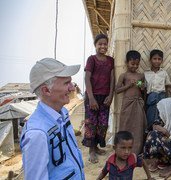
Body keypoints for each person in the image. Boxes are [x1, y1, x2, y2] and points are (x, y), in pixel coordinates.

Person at [20, 58, 85, 179]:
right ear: (46, 90)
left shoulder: (63, 113)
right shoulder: (37, 134)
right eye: (67, 83)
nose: (72, 88)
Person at [82, 33, 115, 163]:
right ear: (95, 45)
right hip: (93, 96)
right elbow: (87, 78)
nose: (103, 46)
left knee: (102, 124)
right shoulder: (92, 59)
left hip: (105, 97)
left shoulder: (111, 60)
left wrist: (111, 95)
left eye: (105, 44)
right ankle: (91, 150)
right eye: (100, 44)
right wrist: (91, 98)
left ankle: (96, 147)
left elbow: (112, 79)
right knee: (91, 124)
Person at [115, 50, 147, 154]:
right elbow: (117, 90)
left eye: (137, 64)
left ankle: (136, 150)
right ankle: (122, 149)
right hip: (127, 104)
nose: (134, 66)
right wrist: (128, 85)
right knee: (125, 125)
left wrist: (141, 87)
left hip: (137, 103)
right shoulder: (124, 76)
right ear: (127, 62)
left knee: (138, 126)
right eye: (132, 64)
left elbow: (144, 90)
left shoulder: (141, 76)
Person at [144, 49, 171, 128]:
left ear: (162, 60)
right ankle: (149, 133)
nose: (157, 61)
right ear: (150, 60)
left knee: (160, 118)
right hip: (151, 98)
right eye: (154, 59)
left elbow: (168, 86)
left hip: (161, 97)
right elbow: (143, 86)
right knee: (150, 117)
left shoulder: (164, 73)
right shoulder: (146, 73)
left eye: (159, 59)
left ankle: (158, 135)